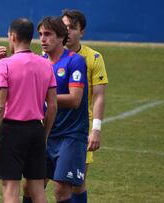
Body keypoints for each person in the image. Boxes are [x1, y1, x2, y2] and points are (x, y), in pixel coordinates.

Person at [0, 18, 57, 203]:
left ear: (13, 36)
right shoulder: (45, 64)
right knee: (37, 191)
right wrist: (44, 133)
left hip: (12, 131)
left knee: (10, 190)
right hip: (36, 129)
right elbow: (52, 106)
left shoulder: (4, 65)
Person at [23, 16, 88, 203]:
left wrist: (41, 98)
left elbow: (75, 99)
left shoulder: (75, 61)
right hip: (46, 133)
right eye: (41, 34)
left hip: (71, 135)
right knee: (30, 186)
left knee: (61, 190)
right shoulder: (40, 62)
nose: (43, 39)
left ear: (61, 37)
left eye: (48, 34)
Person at [61, 9, 109, 203]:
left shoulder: (94, 58)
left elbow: (98, 96)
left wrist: (95, 130)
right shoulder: (48, 56)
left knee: (76, 182)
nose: (68, 32)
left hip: (79, 129)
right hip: (50, 126)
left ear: (82, 32)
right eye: (64, 28)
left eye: (73, 28)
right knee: (35, 181)